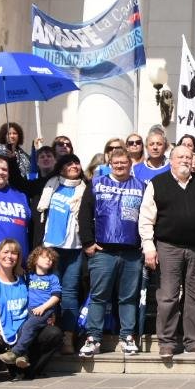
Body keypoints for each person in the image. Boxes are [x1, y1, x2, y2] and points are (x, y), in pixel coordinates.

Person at [140, 145, 195, 358]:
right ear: (170, 160)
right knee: (168, 297)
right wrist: (148, 246)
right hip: (167, 247)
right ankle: (167, 342)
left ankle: (194, 341)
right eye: (180, 157)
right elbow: (146, 218)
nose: (184, 160)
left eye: (188, 157)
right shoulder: (157, 183)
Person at [0, 239, 62, 382]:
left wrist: (49, 314)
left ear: (18, 258)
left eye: (14, 253)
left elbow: (47, 295)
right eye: (6, 252)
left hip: (22, 330)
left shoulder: (25, 279)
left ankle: (24, 370)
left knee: (53, 334)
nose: (9, 256)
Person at [77, 147, 145, 357]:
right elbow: (84, 213)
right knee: (98, 297)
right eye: (115, 163)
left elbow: (148, 216)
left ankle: (127, 337)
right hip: (103, 251)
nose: (119, 166)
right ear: (110, 164)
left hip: (132, 252)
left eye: (123, 162)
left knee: (128, 297)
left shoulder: (142, 186)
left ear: (130, 163)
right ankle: (93, 338)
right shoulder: (96, 183)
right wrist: (88, 242)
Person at [32, 153, 86, 354]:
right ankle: (44, 332)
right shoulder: (50, 185)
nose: (74, 166)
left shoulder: (85, 189)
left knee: (70, 292)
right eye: (69, 163)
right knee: (48, 291)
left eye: (76, 162)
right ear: (61, 168)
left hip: (75, 247)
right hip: (51, 247)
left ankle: (67, 338)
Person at [0, 246, 61, 369]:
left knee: (28, 327)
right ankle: (23, 357)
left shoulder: (53, 278)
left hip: (43, 311)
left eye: (51, 259)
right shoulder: (29, 276)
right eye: (44, 258)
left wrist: (43, 307)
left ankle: (15, 352)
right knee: (23, 330)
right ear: (35, 260)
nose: (49, 260)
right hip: (28, 310)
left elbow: (56, 297)